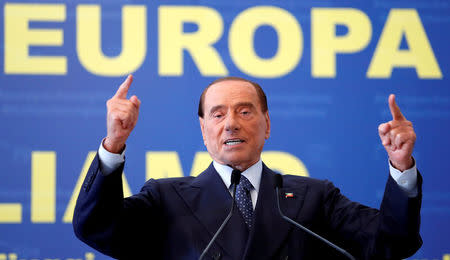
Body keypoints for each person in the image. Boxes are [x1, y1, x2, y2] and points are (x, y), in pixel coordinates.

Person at [73, 75, 422, 260]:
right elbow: (96, 228)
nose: (231, 124)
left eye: (244, 111)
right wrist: (113, 144)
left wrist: (400, 164)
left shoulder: (314, 198)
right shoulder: (166, 199)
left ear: (267, 124)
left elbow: (392, 244)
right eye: (218, 113)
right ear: (204, 130)